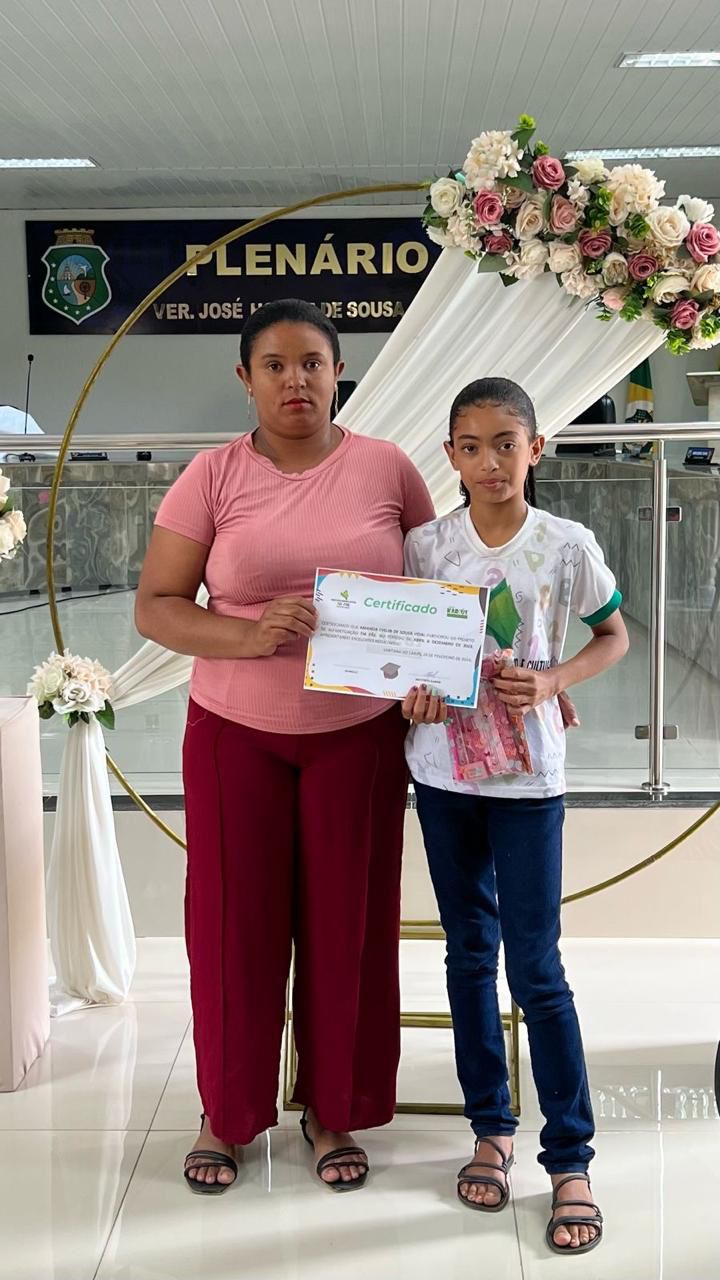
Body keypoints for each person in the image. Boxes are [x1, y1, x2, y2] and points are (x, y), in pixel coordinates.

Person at [135, 298, 435, 1195]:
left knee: (349, 927)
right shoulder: (212, 476)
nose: (295, 380)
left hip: (359, 736)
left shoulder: (388, 468)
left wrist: (444, 676)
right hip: (234, 735)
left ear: (339, 372)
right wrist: (249, 634)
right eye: (275, 365)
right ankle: (226, 1115)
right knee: (233, 928)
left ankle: (334, 1109)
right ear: (246, 378)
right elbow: (156, 606)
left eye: (312, 362)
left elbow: (439, 596)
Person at [401, 377, 628, 1255]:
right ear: (450, 456)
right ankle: (490, 1129)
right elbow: (410, 652)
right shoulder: (426, 546)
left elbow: (612, 635)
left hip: (530, 780)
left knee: (536, 967)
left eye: (507, 443)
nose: (490, 462)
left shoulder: (567, 546)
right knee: (469, 955)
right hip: (443, 775)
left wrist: (554, 679)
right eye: (471, 446)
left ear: (538, 448)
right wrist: (411, 699)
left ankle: (569, 1158)